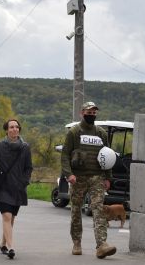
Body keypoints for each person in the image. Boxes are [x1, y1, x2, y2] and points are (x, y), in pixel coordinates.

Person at [61, 101, 116, 259]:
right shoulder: (74, 132)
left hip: (96, 177)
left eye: (93, 112)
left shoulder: (101, 134)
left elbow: (108, 156)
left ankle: (102, 244)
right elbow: (65, 155)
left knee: (98, 208)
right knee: (76, 210)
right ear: (82, 113)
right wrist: (68, 174)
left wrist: (108, 177)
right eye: (88, 112)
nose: (91, 115)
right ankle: (77, 242)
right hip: (78, 177)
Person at [0, 119, 33, 259]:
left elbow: (29, 168)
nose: (14, 129)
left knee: (11, 218)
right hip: (3, 186)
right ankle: (11, 247)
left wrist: (24, 181)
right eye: (11, 127)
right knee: (7, 216)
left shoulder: (25, 147)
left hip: (18, 188)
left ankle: (3, 243)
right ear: (6, 130)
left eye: (17, 127)